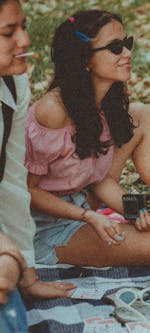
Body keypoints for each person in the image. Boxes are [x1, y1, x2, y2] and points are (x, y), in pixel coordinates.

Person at [24, 9, 150, 267]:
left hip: (81, 199)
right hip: (42, 226)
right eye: (115, 48)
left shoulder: (105, 99)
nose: (127, 53)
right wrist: (88, 216)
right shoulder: (53, 110)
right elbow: (28, 191)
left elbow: (96, 179)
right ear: (85, 59)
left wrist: (134, 213)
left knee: (139, 114)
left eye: (126, 44)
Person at [0, 0, 75, 303]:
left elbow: (12, 181)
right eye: (8, 33)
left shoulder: (15, 84)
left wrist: (27, 272)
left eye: (24, 27)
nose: (25, 41)